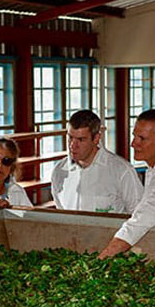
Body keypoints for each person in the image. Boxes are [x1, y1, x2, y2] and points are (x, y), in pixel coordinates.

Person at [51, 109, 142, 214]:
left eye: (81, 140)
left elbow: (139, 216)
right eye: (70, 138)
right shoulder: (59, 172)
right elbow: (61, 215)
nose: (73, 145)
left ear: (96, 138)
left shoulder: (122, 171)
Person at [100, 110, 155, 258]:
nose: (133, 144)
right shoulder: (151, 168)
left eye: (142, 138)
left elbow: (140, 221)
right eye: (134, 136)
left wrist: (101, 260)